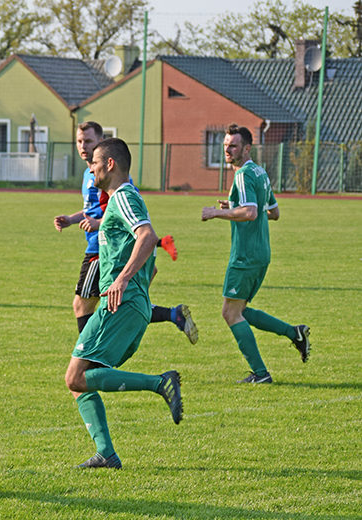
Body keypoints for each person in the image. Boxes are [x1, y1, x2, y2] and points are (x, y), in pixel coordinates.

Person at [65, 138, 183, 469]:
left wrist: (122, 279)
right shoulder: (117, 202)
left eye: (95, 162)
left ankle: (160, 382)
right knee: (86, 377)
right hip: (133, 305)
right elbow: (153, 259)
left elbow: (147, 236)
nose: (90, 167)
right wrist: (138, 284)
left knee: (75, 377)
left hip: (120, 303)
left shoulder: (124, 197)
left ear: (111, 164)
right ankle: (106, 453)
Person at [54, 122, 198, 344]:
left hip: (101, 249)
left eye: (89, 141)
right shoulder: (89, 173)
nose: (83, 146)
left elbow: (120, 211)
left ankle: (87, 355)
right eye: (80, 141)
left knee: (84, 305)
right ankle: (172, 315)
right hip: (102, 246)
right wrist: (73, 219)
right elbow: (93, 209)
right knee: (116, 304)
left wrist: (98, 224)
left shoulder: (112, 177)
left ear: (101, 143)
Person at [201, 124, 310, 383]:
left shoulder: (242, 175)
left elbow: (250, 213)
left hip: (246, 256)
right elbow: (273, 212)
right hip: (262, 253)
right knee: (240, 310)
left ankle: (261, 374)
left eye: (233, 145)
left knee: (230, 313)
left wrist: (217, 212)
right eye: (226, 145)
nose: (228, 149)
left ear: (247, 148)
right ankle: (295, 333)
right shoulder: (260, 172)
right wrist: (235, 206)